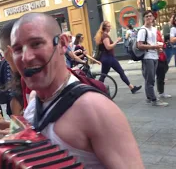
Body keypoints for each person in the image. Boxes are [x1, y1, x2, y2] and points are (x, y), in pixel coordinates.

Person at [10, 12, 144, 168]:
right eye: (18, 49)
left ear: (62, 44)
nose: (26, 57)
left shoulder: (97, 109)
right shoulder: (34, 101)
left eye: (36, 44)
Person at [95, 21, 142, 94]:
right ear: (105, 27)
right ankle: (96, 89)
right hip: (108, 58)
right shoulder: (105, 36)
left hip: (108, 58)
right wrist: (116, 41)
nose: (110, 27)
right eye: (108, 26)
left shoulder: (104, 35)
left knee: (107, 74)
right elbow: (108, 47)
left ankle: (131, 87)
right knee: (107, 74)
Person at [137, 10, 168, 107]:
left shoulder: (154, 29)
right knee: (150, 79)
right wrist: (153, 47)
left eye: (150, 16)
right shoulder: (142, 30)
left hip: (155, 56)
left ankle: (149, 98)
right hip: (147, 57)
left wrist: (158, 49)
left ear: (153, 18)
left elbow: (154, 42)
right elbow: (139, 45)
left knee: (149, 78)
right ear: (144, 18)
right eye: (146, 16)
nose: (149, 18)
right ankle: (154, 100)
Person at [156, 24, 171, 99]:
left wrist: (163, 45)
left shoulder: (157, 31)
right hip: (157, 56)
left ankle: (161, 91)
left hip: (162, 55)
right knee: (160, 73)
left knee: (164, 69)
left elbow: (161, 41)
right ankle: (160, 92)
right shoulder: (151, 32)